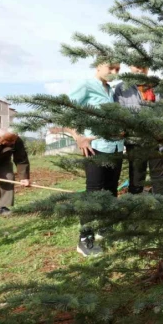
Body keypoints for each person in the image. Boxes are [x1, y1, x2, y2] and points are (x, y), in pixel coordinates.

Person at [66, 61, 125, 257]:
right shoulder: (85, 85)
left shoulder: (112, 90)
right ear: (99, 66)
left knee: (110, 191)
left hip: (116, 148)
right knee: (93, 193)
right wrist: (78, 137)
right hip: (96, 149)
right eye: (111, 68)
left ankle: (103, 228)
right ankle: (85, 238)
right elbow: (65, 112)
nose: (115, 72)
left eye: (118, 69)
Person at [114, 65, 163, 195]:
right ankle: (136, 210)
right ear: (130, 67)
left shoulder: (157, 86)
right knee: (136, 179)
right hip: (135, 141)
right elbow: (119, 113)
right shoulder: (121, 88)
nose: (140, 69)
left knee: (159, 179)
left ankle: (160, 210)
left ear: (148, 67)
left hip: (157, 140)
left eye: (143, 66)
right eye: (136, 66)